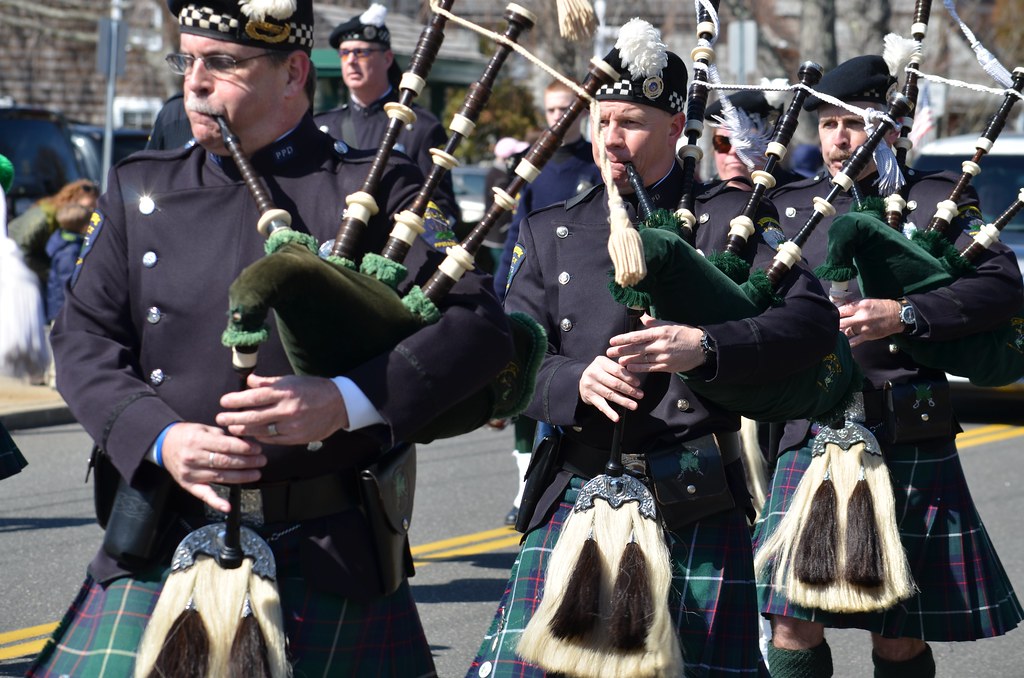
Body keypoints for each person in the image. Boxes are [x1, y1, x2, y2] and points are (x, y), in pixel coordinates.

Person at [28, 1, 512, 676]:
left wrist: (346, 401)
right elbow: (82, 336)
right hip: (161, 535)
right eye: (186, 59)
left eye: (222, 63)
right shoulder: (141, 186)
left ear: (292, 74)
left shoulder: (374, 187)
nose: (194, 82)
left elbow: (480, 327)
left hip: (325, 548)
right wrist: (162, 439)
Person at [469, 21, 841, 677]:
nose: (611, 137)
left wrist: (705, 346)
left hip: (690, 496)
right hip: (573, 486)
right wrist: (570, 380)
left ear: (676, 126)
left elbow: (811, 325)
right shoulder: (550, 227)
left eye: (631, 121)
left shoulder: (730, 219)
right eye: (601, 119)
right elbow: (506, 354)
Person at [756, 54, 1024, 678]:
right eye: (826, 124)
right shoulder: (793, 208)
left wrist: (906, 314)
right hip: (810, 429)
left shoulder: (937, 200)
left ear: (892, 126)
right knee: (792, 620)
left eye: (853, 123)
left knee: (897, 632)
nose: (839, 138)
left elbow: (1002, 285)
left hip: (906, 428)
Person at [493, 79, 604, 527]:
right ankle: (529, 487)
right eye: (551, 109)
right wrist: (501, 294)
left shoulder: (594, 161)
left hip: (584, 290)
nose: (558, 117)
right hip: (540, 284)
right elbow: (518, 236)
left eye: (566, 109)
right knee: (535, 392)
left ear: (580, 113)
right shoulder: (531, 165)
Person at [314, 3, 457, 220]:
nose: (351, 60)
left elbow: (441, 207)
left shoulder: (420, 127)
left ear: (387, 58)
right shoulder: (325, 126)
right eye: (345, 53)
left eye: (361, 52)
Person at [6, 178, 98, 294]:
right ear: (71, 201)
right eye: (86, 208)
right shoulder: (43, 219)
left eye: (94, 210)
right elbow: (21, 250)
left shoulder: (65, 226)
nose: (90, 214)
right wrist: (51, 272)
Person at [44, 203, 91, 323]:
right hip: (64, 312)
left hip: (61, 309)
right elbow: (69, 282)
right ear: (83, 226)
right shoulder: (70, 251)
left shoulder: (63, 242)